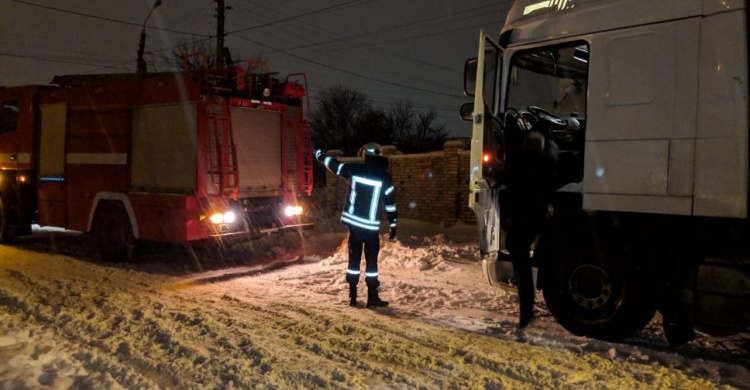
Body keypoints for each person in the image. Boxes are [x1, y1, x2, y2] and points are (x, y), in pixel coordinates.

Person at [315, 143, 397, 308]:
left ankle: (353, 295)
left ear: (365, 156)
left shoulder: (354, 170)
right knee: (371, 262)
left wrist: (320, 154)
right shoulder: (385, 177)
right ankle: (372, 297)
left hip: (355, 225)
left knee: (354, 258)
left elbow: (334, 165)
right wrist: (393, 225)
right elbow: (390, 204)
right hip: (371, 227)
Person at [503, 130, 558, 328]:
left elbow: (507, 190)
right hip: (535, 222)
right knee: (524, 269)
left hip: (518, 224)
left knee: (522, 269)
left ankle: (526, 314)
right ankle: (526, 311)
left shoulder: (516, 163)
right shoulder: (546, 165)